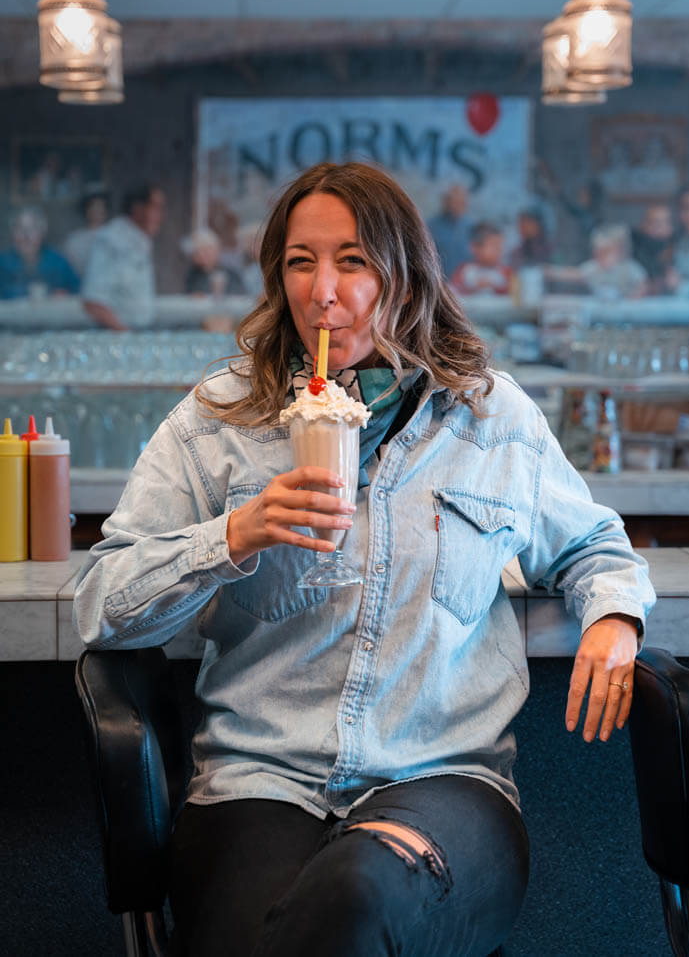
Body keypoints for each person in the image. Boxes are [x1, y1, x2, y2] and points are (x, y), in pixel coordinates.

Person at [73, 161, 655, 957]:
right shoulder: (219, 419)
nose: (324, 290)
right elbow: (100, 599)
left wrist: (616, 616)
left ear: (405, 276)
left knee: (352, 896)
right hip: (259, 780)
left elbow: (593, 545)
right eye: (300, 261)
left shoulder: (489, 416)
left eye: (353, 260)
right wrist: (232, 535)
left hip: (443, 781)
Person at [81, 184, 165, 330]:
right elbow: (93, 302)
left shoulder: (141, 241)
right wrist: (127, 336)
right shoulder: (113, 240)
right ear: (137, 208)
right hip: (115, 343)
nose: (160, 215)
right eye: (155, 208)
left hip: (136, 336)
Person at [545, 224, 647, 301]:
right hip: (601, 312)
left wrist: (633, 298)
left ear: (620, 252)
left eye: (605, 253)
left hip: (625, 311)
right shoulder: (594, 267)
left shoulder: (629, 268)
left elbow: (642, 285)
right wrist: (549, 272)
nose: (600, 258)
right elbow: (574, 274)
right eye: (597, 254)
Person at [0, 206, 79, 299]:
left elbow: (78, 292)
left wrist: (66, 294)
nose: (26, 236)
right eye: (19, 228)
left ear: (42, 233)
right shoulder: (2, 263)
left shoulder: (59, 262)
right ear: (12, 233)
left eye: (33, 229)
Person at [450, 221, 512, 295]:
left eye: (500, 245)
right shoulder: (464, 271)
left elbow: (513, 292)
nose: (498, 250)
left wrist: (494, 287)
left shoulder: (505, 272)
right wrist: (474, 287)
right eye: (493, 245)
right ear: (475, 248)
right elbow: (454, 292)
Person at [182, 227, 247, 296]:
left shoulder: (232, 274)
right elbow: (186, 296)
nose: (202, 255)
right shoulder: (192, 276)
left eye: (206, 250)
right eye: (197, 252)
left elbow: (240, 296)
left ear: (217, 251)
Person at [61, 187, 110, 278]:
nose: (98, 211)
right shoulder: (74, 240)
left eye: (101, 207)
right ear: (86, 210)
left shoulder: (116, 237)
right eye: (93, 207)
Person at [631, 202, 677, 295]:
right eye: (653, 222)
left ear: (671, 227)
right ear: (644, 225)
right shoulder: (634, 250)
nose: (658, 227)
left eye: (663, 223)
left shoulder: (679, 249)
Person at [427, 182, 470, 278]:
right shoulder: (431, 226)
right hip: (439, 281)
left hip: (464, 285)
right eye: (456, 202)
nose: (460, 206)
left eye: (463, 202)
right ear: (446, 202)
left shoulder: (470, 227)